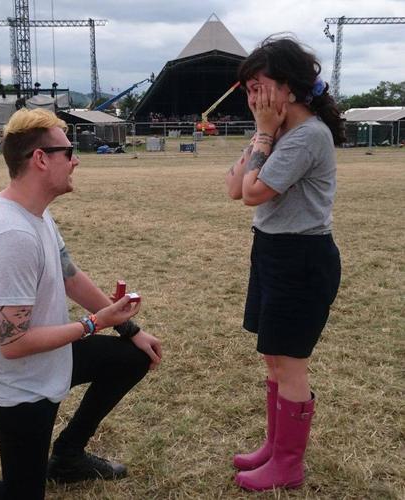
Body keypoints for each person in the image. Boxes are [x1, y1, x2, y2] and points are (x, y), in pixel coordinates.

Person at [0, 108, 162, 500]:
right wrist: (95, 323)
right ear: (41, 159)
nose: (76, 160)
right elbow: (13, 344)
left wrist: (130, 328)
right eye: (68, 151)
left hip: (49, 361)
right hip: (18, 385)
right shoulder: (12, 234)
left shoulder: (35, 214)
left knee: (133, 357)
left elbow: (70, 275)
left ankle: (69, 456)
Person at [225, 35, 343, 491]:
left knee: (291, 363)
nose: (254, 98)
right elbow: (234, 188)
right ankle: (276, 446)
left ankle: (288, 464)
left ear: (289, 88)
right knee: (274, 358)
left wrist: (263, 135)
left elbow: (253, 192)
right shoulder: (278, 134)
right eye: (249, 90)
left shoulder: (308, 135)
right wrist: (264, 133)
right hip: (273, 250)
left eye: (260, 86)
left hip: (302, 257)